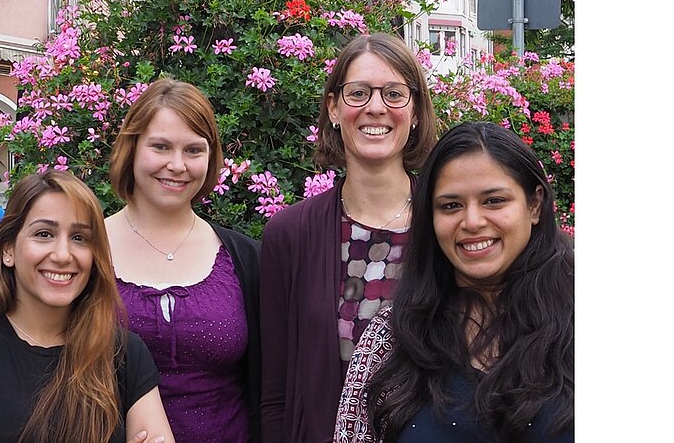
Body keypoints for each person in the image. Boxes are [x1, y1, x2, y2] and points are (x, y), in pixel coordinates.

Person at [334, 121, 574, 442]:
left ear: (534, 205)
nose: (472, 222)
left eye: (494, 201)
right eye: (451, 206)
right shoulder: (391, 340)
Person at [259, 32, 437, 443]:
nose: (376, 107)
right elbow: (275, 393)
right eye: (358, 93)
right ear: (334, 108)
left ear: (414, 112)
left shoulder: (445, 225)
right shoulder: (289, 235)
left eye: (394, 94)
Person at [104, 78, 262, 443]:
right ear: (132, 148)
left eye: (193, 150)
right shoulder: (86, 251)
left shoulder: (244, 259)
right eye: (160, 146)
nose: (177, 165)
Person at [0, 170, 175, 443]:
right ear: (8, 249)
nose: (62, 255)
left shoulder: (125, 354)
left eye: (79, 238)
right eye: (44, 234)